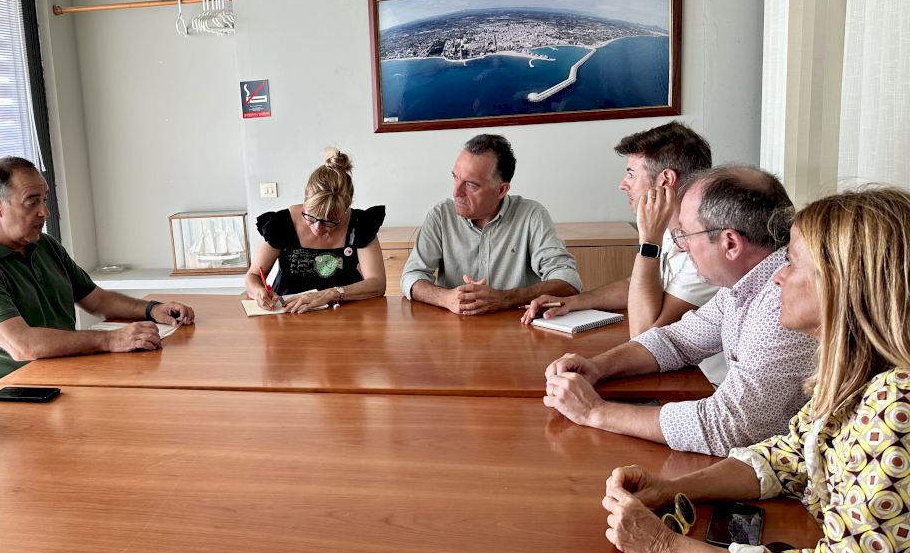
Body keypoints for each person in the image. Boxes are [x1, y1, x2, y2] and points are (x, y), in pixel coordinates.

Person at [601, 187, 910, 553]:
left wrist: (665, 547)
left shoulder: (895, 405)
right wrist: (671, 489)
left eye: (794, 263)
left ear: (844, 284)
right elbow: (787, 456)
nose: (778, 277)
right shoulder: (851, 372)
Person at [543, 166, 817, 456]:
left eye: (685, 234)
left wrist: (594, 411)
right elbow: (677, 340)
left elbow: (728, 427)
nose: (682, 247)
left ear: (730, 243)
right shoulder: (744, 284)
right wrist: (598, 366)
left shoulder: (782, 301)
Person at [0, 156, 195, 388]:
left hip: (66, 374)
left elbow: (97, 300)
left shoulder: (44, 245)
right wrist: (109, 340)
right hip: (11, 394)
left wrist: (152, 309)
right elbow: (23, 345)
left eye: (44, 199)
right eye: (32, 202)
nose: (45, 212)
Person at [522, 123, 725, 382]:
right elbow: (636, 284)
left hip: (710, 385)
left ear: (665, 180)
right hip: (684, 374)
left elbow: (645, 337)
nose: (622, 184)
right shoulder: (671, 226)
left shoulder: (704, 245)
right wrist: (574, 302)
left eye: (631, 174)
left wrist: (648, 240)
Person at [401, 134, 581, 315]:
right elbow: (411, 277)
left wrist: (506, 298)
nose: (456, 192)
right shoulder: (441, 215)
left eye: (471, 185)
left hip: (518, 327)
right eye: (455, 177)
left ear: (501, 190)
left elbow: (568, 281)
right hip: (454, 326)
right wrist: (446, 298)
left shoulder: (532, 215)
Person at [245, 148, 386, 313]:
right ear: (305, 199)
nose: (317, 227)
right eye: (310, 217)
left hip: (346, 312)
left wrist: (332, 293)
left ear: (345, 209)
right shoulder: (280, 224)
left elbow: (377, 283)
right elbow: (253, 276)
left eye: (329, 221)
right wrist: (259, 292)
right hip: (289, 313)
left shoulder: (360, 224)